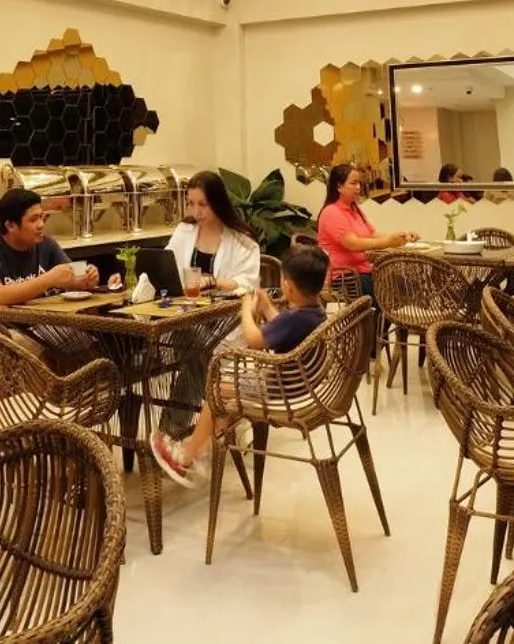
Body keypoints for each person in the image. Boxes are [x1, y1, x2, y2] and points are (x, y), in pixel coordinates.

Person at [151, 243, 330, 488]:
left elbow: (254, 340)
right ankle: (202, 446)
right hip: (300, 383)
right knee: (225, 397)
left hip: (281, 390)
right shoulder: (315, 313)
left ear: (287, 286)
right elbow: (284, 329)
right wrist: (266, 308)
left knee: (217, 389)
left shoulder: (294, 318)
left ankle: (187, 456)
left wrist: (246, 310)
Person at [0, 186, 97, 322]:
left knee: (90, 335)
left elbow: (75, 273)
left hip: (37, 326)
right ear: (10, 226)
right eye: (33, 220)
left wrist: (89, 275)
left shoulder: (46, 244)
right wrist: (49, 279)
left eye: (41, 217)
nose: (41, 225)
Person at [316, 162, 415, 287]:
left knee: (405, 282)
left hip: (363, 272)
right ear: (339, 187)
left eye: (359, 183)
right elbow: (353, 244)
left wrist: (402, 237)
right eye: (353, 183)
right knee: (392, 287)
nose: (358, 187)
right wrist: (389, 241)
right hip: (343, 277)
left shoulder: (355, 209)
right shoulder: (331, 212)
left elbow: (374, 234)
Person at [164, 170, 263, 291]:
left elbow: (248, 284)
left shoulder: (242, 240)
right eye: (191, 203)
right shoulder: (184, 230)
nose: (196, 212)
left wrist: (212, 282)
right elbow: (166, 267)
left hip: (229, 308)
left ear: (218, 203)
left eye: (203, 204)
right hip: (185, 306)